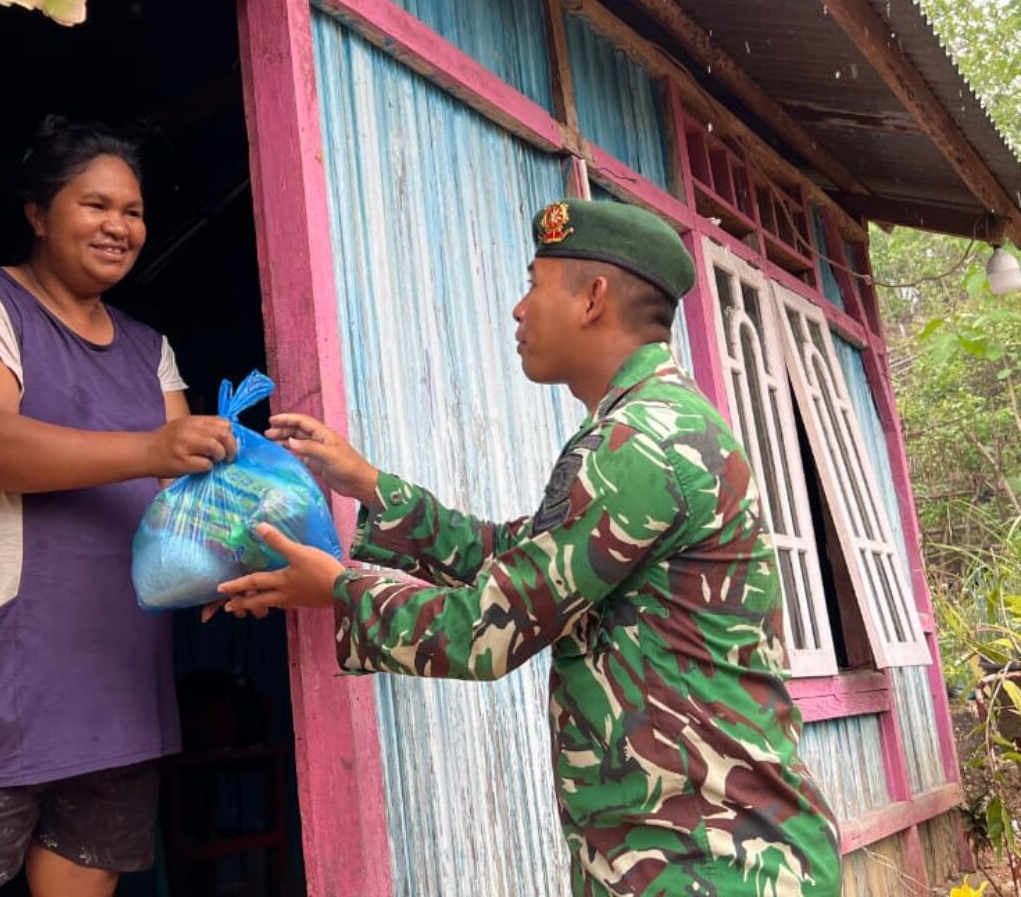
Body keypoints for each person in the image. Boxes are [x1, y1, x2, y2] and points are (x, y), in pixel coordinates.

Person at [218, 199, 843, 896]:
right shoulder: (654, 426)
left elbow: (483, 630)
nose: (518, 310)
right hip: (685, 852)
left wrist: (337, 589)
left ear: (592, 299)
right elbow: (524, 557)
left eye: (534, 283)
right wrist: (371, 486)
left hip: (712, 863)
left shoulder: (641, 445)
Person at [0, 117, 237, 897]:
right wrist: (152, 448)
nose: (120, 226)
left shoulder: (150, 347)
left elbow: (178, 498)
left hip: (114, 672)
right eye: (96, 205)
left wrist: (226, 565)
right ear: (38, 213)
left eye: (134, 211)